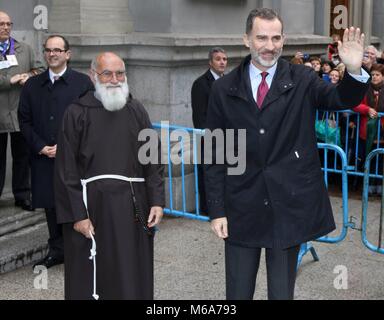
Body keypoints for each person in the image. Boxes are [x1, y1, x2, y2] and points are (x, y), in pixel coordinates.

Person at [205, 8, 369, 300]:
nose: (270, 45)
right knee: (237, 292)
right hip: (242, 206)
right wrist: (217, 209)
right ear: (246, 40)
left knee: (282, 293)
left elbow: (338, 98)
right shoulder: (224, 89)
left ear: (284, 40)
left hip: (287, 208)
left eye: (276, 37)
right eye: (262, 37)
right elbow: (217, 153)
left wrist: (354, 73)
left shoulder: (302, 79)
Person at [54, 52, 165, 300]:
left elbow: (153, 159)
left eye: (120, 73)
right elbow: (65, 169)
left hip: (132, 208)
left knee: (130, 272)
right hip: (92, 209)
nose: (115, 79)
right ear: (94, 76)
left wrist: (157, 199)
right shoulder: (76, 113)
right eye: (107, 73)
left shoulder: (137, 110)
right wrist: (77, 215)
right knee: (94, 274)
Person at [18, 35, 94, 269]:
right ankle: (57, 250)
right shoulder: (33, 84)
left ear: (67, 54)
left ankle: (81, 251)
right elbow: (25, 120)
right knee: (51, 206)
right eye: (48, 50)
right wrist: (41, 146)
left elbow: (92, 119)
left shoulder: (82, 83)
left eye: (58, 50)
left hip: (74, 158)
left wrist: (68, 147)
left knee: (76, 203)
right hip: (44, 157)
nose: (52, 54)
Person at [0, 11, 44, 210]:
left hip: (20, 111)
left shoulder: (24, 48)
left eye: (9, 24)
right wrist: (8, 81)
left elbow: (41, 70)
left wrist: (29, 76)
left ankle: (22, 195)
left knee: (23, 155)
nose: (6, 27)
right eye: (2, 24)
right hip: (0, 111)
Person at [191, 47, 228, 213]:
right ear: (210, 62)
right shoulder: (200, 84)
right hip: (208, 139)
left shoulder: (228, 82)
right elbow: (199, 116)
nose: (222, 62)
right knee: (208, 175)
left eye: (224, 59)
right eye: (218, 59)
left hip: (227, 137)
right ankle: (206, 210)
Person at [353, 64, 384, 195]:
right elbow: (355, 104)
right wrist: (367, 109)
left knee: (380, 160)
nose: (374, 77)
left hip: (382, 132)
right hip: (366, 131)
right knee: (368, 159)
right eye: (373, 75)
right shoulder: (365, 88)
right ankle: (368, 187)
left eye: (377, 75)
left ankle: (379, 187)